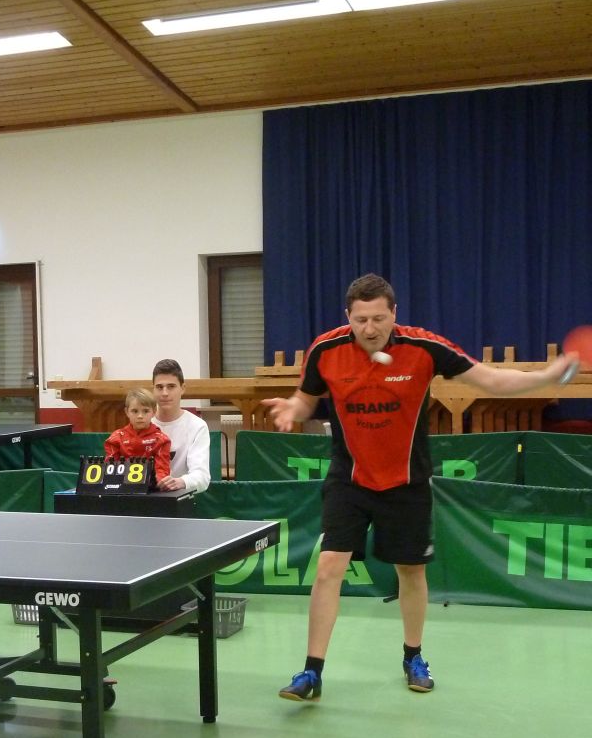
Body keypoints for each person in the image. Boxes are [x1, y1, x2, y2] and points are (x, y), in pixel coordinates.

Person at [264, 274, 579, 701]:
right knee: (328, 568)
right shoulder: (326, 349)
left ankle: (413, 656)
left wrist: (547, 375)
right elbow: (307, 398)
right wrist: (293, 408)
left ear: (394, 313)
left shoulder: (424, 347)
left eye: (379, 318)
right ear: (348, 316)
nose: (370, 329)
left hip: (406, 481)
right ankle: (311, 671)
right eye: (361, 320)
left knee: (410, 571)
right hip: (349, 478)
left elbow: (490, 380)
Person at [150, 359, 212, 493]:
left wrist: (179, 482)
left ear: (182, 389)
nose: (165, 393)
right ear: (153, 389)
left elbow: (202, 477)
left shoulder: (197, 426)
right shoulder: (142, 424)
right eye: (159, 387)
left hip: (180, 499)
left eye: (171, 386)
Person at [103, 388, 172, 484]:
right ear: (127, 412)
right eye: (135, 411)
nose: (140, 416)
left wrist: (159, 482)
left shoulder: (161, 440)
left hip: (150, 488)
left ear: (154, 411)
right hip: (121, 487)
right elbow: (110, 469)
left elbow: (162, 471)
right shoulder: (115, 438)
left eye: (145, 411)